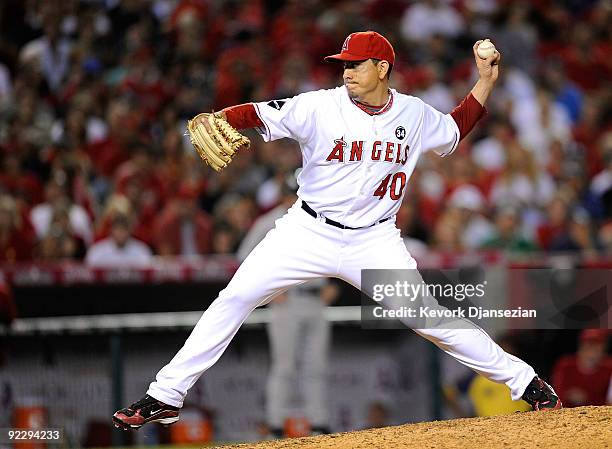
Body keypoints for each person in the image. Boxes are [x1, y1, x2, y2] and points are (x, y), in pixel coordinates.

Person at [113, 31, 561, 430]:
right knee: (235, 297)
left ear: (382, 67)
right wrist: (224, 117)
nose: (346, 71)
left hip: (374, 240)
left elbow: (455, 128)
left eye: (355, 64)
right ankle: (165, 396)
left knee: (431, 320)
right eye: (343, 64)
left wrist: (486, 80)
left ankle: (528, 383)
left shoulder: (413, 113)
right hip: (307, 231)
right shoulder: (317, 106)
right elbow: (257, 112)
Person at [237, 174, 338, 437]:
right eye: (291, 192)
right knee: (285, 366)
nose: (294, 197)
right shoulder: (270, 221)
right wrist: (268, 291)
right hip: (288, 300)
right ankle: (275, 425)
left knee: (316, 365)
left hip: (316, 300)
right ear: (283, 194)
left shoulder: (321, 215)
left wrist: (334, 281)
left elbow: (338, 251)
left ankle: (318, 423)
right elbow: (242, 256)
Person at [551, 329, 611, 407]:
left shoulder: (609, 368)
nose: (591, 351)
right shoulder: (566, 365)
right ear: (580, 347)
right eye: (588, 345)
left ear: (603, 349)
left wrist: (587, 399)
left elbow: (609, 402)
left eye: (596, 347)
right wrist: (568, 396)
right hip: (566, 414)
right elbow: (555, 395)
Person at [85, 214, 152, 267]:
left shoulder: (142, 251)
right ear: (111, 230)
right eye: (118, 229)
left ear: (130, 231)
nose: (121, 233)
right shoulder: (97, 252)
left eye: (124, 229)